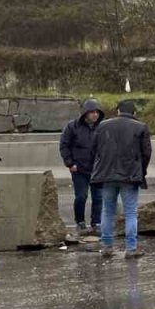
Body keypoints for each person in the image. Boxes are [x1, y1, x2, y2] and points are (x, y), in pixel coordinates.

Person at [91, 100, 152, 259]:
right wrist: (141, 170)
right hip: (130, 176)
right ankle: (131, 248)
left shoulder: (103, 125)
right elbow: (146, 153)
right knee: (131, 212)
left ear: (117, 111)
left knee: (107, 210)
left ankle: (106, 246)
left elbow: (94, 149)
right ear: (134, 113)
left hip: (106, 174)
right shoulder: (140, 127)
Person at [59, 98, 105, 235]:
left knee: (98, 197)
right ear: (85, 113)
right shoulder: (73, 126)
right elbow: (64, 145)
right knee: (81, 196)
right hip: (79, 168)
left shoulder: (103, 127)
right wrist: (70, 163)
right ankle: (80, 221)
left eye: (97, 112)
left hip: (98, 168)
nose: (95, 115)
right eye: (92, 112)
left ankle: (96, 223)